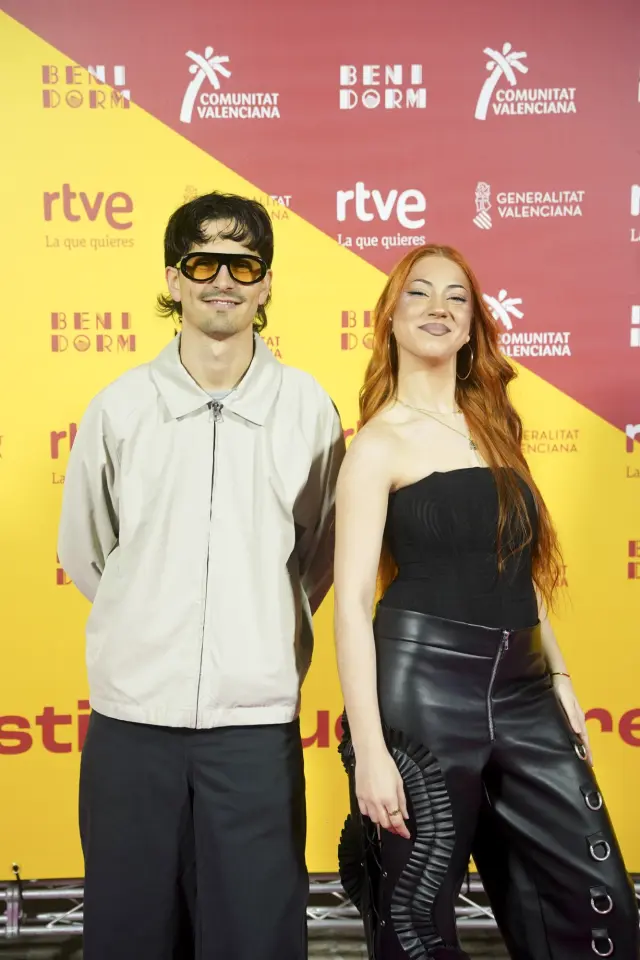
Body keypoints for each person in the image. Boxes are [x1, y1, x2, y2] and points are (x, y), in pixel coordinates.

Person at [58, 191, 345, 960]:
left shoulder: (308, 408)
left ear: (267, 283)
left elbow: (318, 559)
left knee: (258, 935)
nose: (224, 278)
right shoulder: (120, 407)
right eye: (203, 262)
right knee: (129, 933)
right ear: (173, 278)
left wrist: (254, 632)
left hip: (254, 728)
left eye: (243, 263)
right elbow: (89, 554)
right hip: (132, 723)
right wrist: (149, 622)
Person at [333, 244, 638, 960]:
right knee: (415, 922)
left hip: (525, 688)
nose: (438, 307)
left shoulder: (499, 430)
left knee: (597, 913)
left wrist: (558, 679)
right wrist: (371, 753)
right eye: (419, 294)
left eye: (456, 298)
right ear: (390, 318)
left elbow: (520, 567)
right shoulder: (377, 445)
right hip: (422, 693)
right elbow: (350, 604)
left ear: (472, 327)